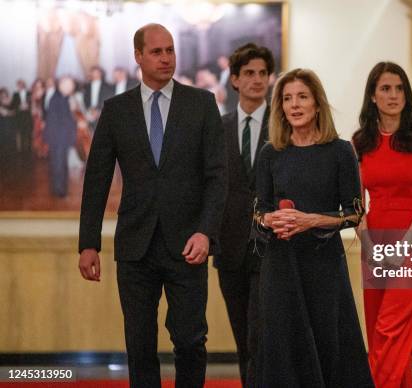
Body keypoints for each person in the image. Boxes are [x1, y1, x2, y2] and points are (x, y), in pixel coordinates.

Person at [78, 23, 226, 388]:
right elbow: (96, 179)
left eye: (170, 50)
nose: (166, 58)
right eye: (157, 51)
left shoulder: (201, 104)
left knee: (191, 341)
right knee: (139, 345)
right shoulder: (116, 110)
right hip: (135, 246)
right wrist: (88, 243)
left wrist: (206, 231)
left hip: (188, 243)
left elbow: (218, 177)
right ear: (138, 56)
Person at [254, 68, 373, 387]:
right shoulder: (270, 153)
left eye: (302, 97)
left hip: (323, 264)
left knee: (329, 342)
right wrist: (269, 219)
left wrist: (313, 220)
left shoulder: (340, 151)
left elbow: (354, 214)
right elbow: (258, 212)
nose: (294, 105)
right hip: (281, 265)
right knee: (283, 344)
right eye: (287, 98)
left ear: (317, 104)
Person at [352, 62, 412, 388]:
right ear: (372, 96)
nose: (393, 95)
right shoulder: (359, 142)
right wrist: (369, 245)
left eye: (399, 88)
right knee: (381, 328)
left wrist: (403, 248)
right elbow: (355, 206)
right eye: (385, 89)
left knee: (390, 328)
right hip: (373, 243)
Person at [215, 43, 274, 387]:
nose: (256, 80)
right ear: (235, 80)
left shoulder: (283, 126)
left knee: (261, 335)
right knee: (242, 336)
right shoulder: (216, 128)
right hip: (229, 246)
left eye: (262, 73)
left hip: (272, 247)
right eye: (249, 73)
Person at [43, 76, 77, 197]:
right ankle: (59, 192)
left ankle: (59, 189)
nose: (71, 87)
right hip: (58, 139)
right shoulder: (57, 98)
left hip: (61, 138)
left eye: (72, 85)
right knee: (58, 165)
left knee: (61, 164)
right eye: (69, 85)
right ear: (61, 85)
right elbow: (60, 121)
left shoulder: (63, 97)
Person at [11, 79, 33, 153]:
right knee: (22, 133)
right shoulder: (15, 94)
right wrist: (19, 107)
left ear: (24, 85)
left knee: (29, 132)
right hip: (20, 117)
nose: (20, 86)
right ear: (17, 86)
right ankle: (23, 150)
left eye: (21, 84)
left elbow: (33, 103)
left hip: (28, 116)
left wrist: (28, 106)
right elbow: (12, 106)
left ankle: (29, 149)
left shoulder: (29, 93)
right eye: (18, 84)